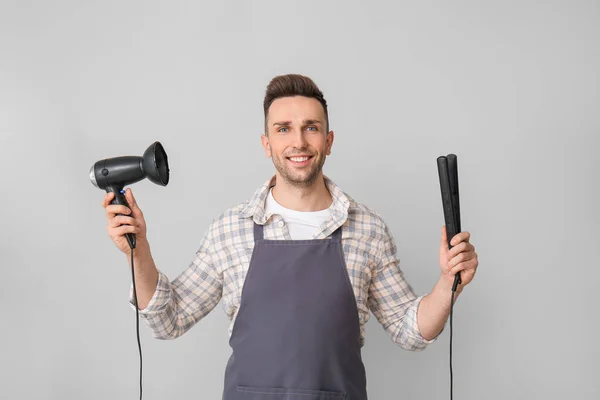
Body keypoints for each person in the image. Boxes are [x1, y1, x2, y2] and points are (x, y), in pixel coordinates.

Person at [101, 74, 479, 399]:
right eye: (283, 129)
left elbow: (409, 331)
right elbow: (170, 319)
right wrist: (140, 251)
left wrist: (448, 283)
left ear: (328, 141)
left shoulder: (367, 229)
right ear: (267, 144)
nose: (298, 141)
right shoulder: (230, 229)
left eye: (310, 127)